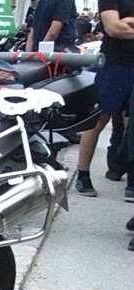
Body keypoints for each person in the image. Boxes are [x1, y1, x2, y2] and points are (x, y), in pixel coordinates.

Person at [71, 0, 134, 197]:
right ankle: (83, 174)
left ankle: (131, 181)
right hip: (115, 65)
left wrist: (129, 22)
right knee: (97, 120)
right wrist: (122, 25)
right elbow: (114, 28)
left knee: (131, 126)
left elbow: (120, 27)